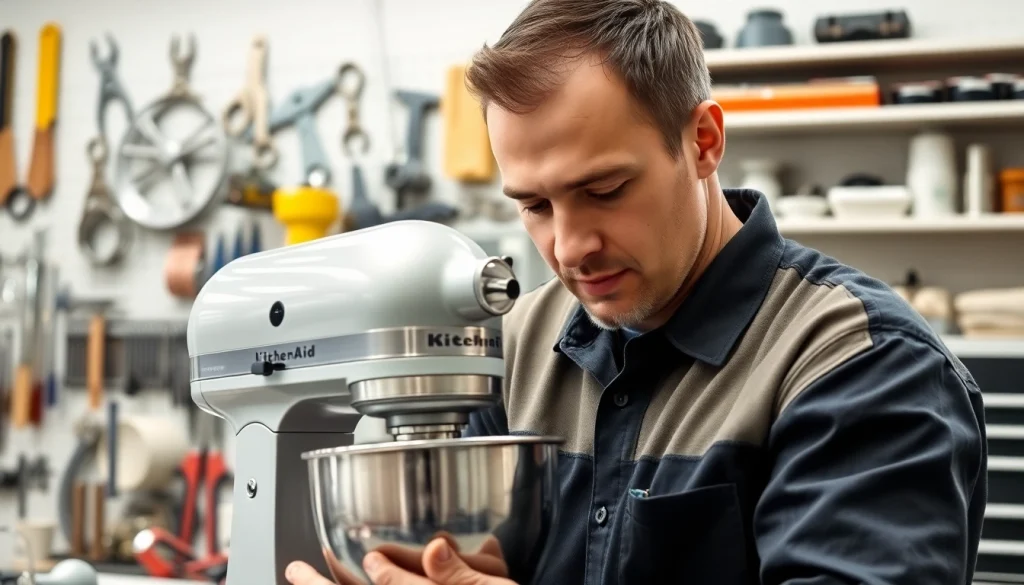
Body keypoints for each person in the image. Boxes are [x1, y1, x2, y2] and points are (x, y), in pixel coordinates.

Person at [286, 0, 988, 583]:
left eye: (604, 190)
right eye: (533, 205)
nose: (568, 247)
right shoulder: (512, 348)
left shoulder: (863, 365)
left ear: (704, 142)